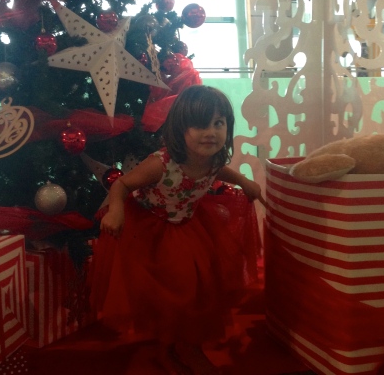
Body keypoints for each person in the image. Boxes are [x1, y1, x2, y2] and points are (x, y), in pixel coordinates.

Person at [89, 85, 264, 375]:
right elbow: (121, 184)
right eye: (199, 125)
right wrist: (117, 210)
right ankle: (177, 342)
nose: (211, 132)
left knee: (202, 282)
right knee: (175, 286)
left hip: (189, 224)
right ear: (180, 129)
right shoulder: (160, 164)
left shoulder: (213, 158)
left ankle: (185, 340)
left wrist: (245, 182)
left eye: (218, 124)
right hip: (150, 228)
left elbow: (220, 171)